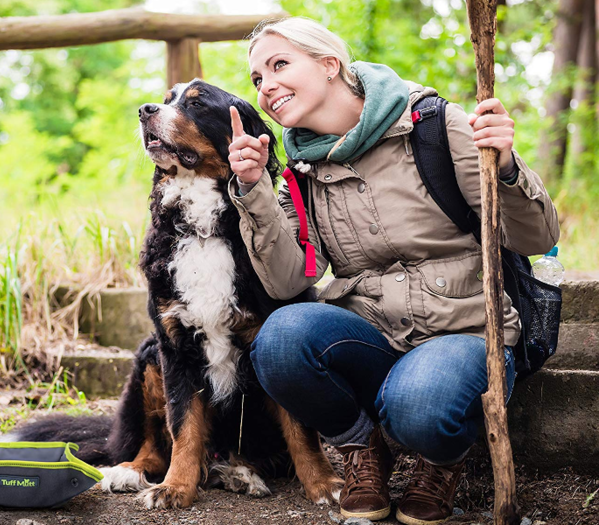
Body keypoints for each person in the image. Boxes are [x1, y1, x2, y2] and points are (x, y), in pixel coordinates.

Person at [225, 17, 560, 525]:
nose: (265, 86)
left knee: (420, 405)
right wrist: (255, 193)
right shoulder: (298, 171)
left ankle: (439, 460)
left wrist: (509, 167)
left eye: (279, 65)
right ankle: (364, 450)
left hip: (464, 330)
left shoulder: (433, 126)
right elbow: (290, 280)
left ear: (329, 64)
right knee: (280, 339)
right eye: (256, 79)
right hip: (373, 335)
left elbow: (537, 237)